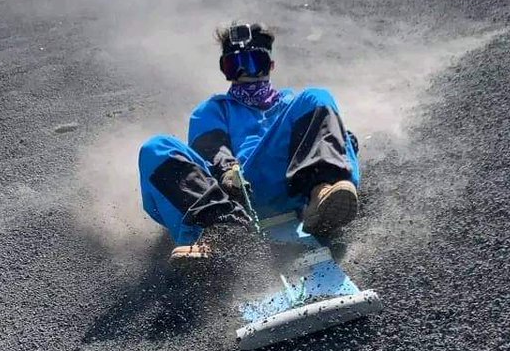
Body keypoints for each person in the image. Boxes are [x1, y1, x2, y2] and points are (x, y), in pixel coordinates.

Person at [138, 22, 360, 261]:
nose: (245, 72)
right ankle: (224, 234)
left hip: (292, 184)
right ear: (225, 71)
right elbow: (210, 146)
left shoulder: (295, 106)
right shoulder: (214, 109)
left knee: (318, 97)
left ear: (270, 65)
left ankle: (322, 197)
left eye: (254, 62)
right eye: (235, 65)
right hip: (237, 195)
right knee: (155, 148)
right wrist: (226, 170)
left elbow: (330, 136)